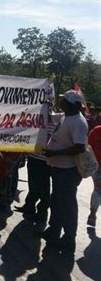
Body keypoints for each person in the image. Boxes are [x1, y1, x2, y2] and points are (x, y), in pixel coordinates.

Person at [42, 90, 88, 253]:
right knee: (56, 202)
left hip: (68, 172)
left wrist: (55, 153)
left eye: (63, 100)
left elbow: (79, 147)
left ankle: (69, 240)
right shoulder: (66, 116)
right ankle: (53, 231)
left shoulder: (78, 122)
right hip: (59, 169)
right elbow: (50, 116)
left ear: (70, 103)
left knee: (67, 205)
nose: (61, 102)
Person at [87, 124, 101, 226]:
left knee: (97, 190)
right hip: (97, 166)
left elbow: (88, 146)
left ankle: (92, 214)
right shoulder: (96, 130)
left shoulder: (96, 130)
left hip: (97, 165)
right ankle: (92, 214)